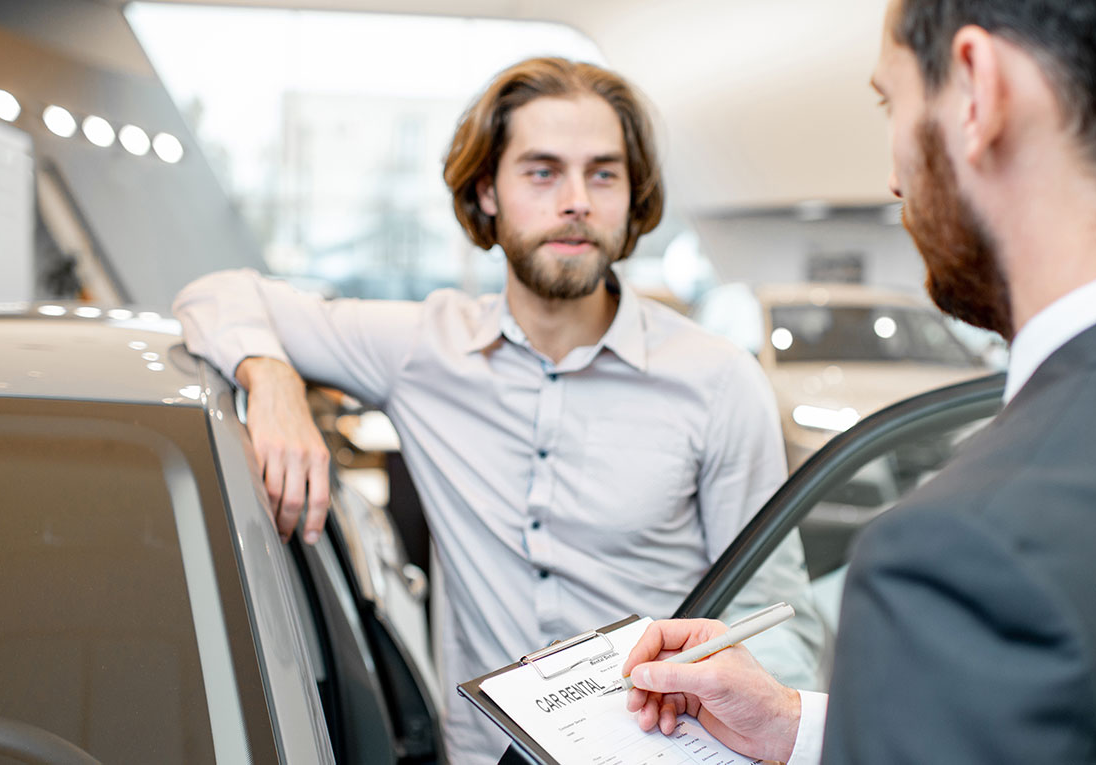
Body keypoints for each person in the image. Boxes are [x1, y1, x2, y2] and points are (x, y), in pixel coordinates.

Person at [622, 0, 1096, 762]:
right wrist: (801, 724)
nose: (891, 177)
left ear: (977, 90)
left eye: (893, 103)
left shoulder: (960, 558)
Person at [173, 58, 798, 765]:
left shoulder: (718, 381)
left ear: (633, 197)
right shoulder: (422, 349)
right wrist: (273, 379)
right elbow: (214, 294)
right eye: (541, 172)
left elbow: (770, 619)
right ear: (487, 192)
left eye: (603, 173)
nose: (576, 202)